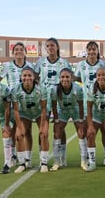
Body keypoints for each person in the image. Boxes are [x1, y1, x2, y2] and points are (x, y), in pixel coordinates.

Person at [34, 38, 71, 166]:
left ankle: (62, 157)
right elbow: (34, 77)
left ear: (57, 47)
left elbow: (69, 79)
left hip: (59, 98)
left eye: (52, 45)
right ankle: (42, 158)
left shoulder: (64, 62)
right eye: (48, 46)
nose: (50, 48)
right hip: (44, 99)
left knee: (60, 127)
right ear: (46, 48)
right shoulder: (40, 62)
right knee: (42, 128)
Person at [74, 41, 105, 166]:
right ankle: (88, 157)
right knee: (88, 131)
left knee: (104, 130)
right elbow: (77, 78)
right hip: (87, 102)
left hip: (102, 101)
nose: (91, 51)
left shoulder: (103, 64)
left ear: (97, 51)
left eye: (94, 49)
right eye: (89, 49)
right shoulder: (80, 65)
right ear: (86, 51)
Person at [0, 42, 35, 166]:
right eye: (16, 49)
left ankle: (28, 158)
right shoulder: (7, 66)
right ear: (13, 52)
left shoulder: (31, 65)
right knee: (14, 130)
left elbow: (36, 80)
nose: (19, 51)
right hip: (13, 102)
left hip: (27, 101)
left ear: (25, 52)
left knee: (28, 130)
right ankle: (14, 155)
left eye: (21, 49)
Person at [12, 66, 48, 173]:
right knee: (19, 135)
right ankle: (23, 163)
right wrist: (19, 126)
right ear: (21, 77)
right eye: (24, 75)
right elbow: (16, 110)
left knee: (44, 134)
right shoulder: (16, 90)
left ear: (33, 77)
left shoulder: (41, 89)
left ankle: (44, 163)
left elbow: (44, 108)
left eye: (29, 75)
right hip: (24, 113)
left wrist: (42, 126)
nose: (27, 78)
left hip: (39, 113)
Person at [50, 68, 85, 171]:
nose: (65, 79)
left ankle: (84, 161)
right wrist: (56, 120)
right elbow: (54, 105)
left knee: (81, 132)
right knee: (57, 133)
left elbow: (81, 105)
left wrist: (81, 120)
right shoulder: (55, 89)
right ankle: (58, 161)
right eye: (62, 77)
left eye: (67, 77)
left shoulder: (78, 88)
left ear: (71, 78)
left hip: (75, 110)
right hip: (62, 111)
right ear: (59, 78)